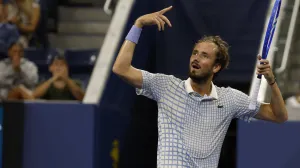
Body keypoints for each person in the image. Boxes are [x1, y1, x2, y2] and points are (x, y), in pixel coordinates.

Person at [112, 6, 288, 168]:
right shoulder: (166, 86)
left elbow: (278, 116)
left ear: (216, 67)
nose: (196, 58)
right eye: (195, 53)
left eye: (204, 56)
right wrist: (138, 24)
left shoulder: (229, 99)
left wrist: (271, 81)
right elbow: (121, 69)